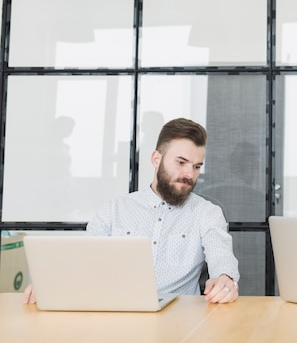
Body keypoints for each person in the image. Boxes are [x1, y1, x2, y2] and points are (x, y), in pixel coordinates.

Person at [24, 118, 240, 304]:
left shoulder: (207, 213)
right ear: (157, 159)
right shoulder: (113, 210)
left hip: (181, 320)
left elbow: (221, 255)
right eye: (181, 162)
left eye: (196, 166)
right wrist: (52, 282)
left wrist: (225, 278)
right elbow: (83, 262)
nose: (189, 174)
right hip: (116, 316)